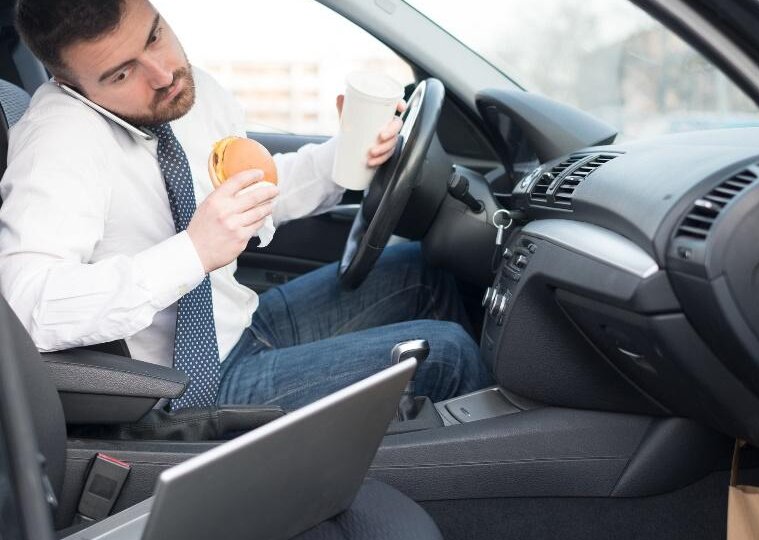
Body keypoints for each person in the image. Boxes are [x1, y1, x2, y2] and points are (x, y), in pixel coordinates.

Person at [0, 0, 493, 411]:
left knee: (420, 270)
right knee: (445, 355)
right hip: (188, 387)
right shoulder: (58, 144)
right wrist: (192, 251)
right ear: (72, 84)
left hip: (240, 325)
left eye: (153, 37)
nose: (162, 72)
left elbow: (256, 188)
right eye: (123, 72)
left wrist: (349, 155)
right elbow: (27, 305)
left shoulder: (188, 92)